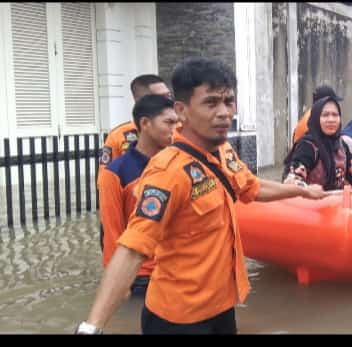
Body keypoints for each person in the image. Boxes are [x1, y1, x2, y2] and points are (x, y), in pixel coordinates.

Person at [77, 57, 327, 335]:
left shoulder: (223, 151)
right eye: (211, 103)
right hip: (178, 318)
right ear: (181, 110)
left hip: (221, 307)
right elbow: (133, 248)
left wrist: (301, 190)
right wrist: (92, 327)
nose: (224, 112)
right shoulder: (168, 171)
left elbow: (252, 187)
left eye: (228, 101)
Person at [97, 95, 178, 297]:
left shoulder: (177, 164)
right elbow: (112, 232)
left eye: (177, 123)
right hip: (141, 276)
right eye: (168, 123)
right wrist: (117, 282)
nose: (175, 130)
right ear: (145, 123)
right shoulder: (116, 172)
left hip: (176, 269)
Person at [283, 95, 352, 192]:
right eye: (325, 115)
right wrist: (309, 190)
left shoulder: (341, 145)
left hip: (335, 204)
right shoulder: (308, 146)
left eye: (335, 115)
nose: (331, 120)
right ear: (316, 118)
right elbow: (292, 181)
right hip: (309, 204)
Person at [100, 74, 173, 169]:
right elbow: (107, 176)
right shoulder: (118, 136)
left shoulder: (181, 129)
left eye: (169, 95)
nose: (169, 101)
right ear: (140, 101)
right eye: (160, 97)